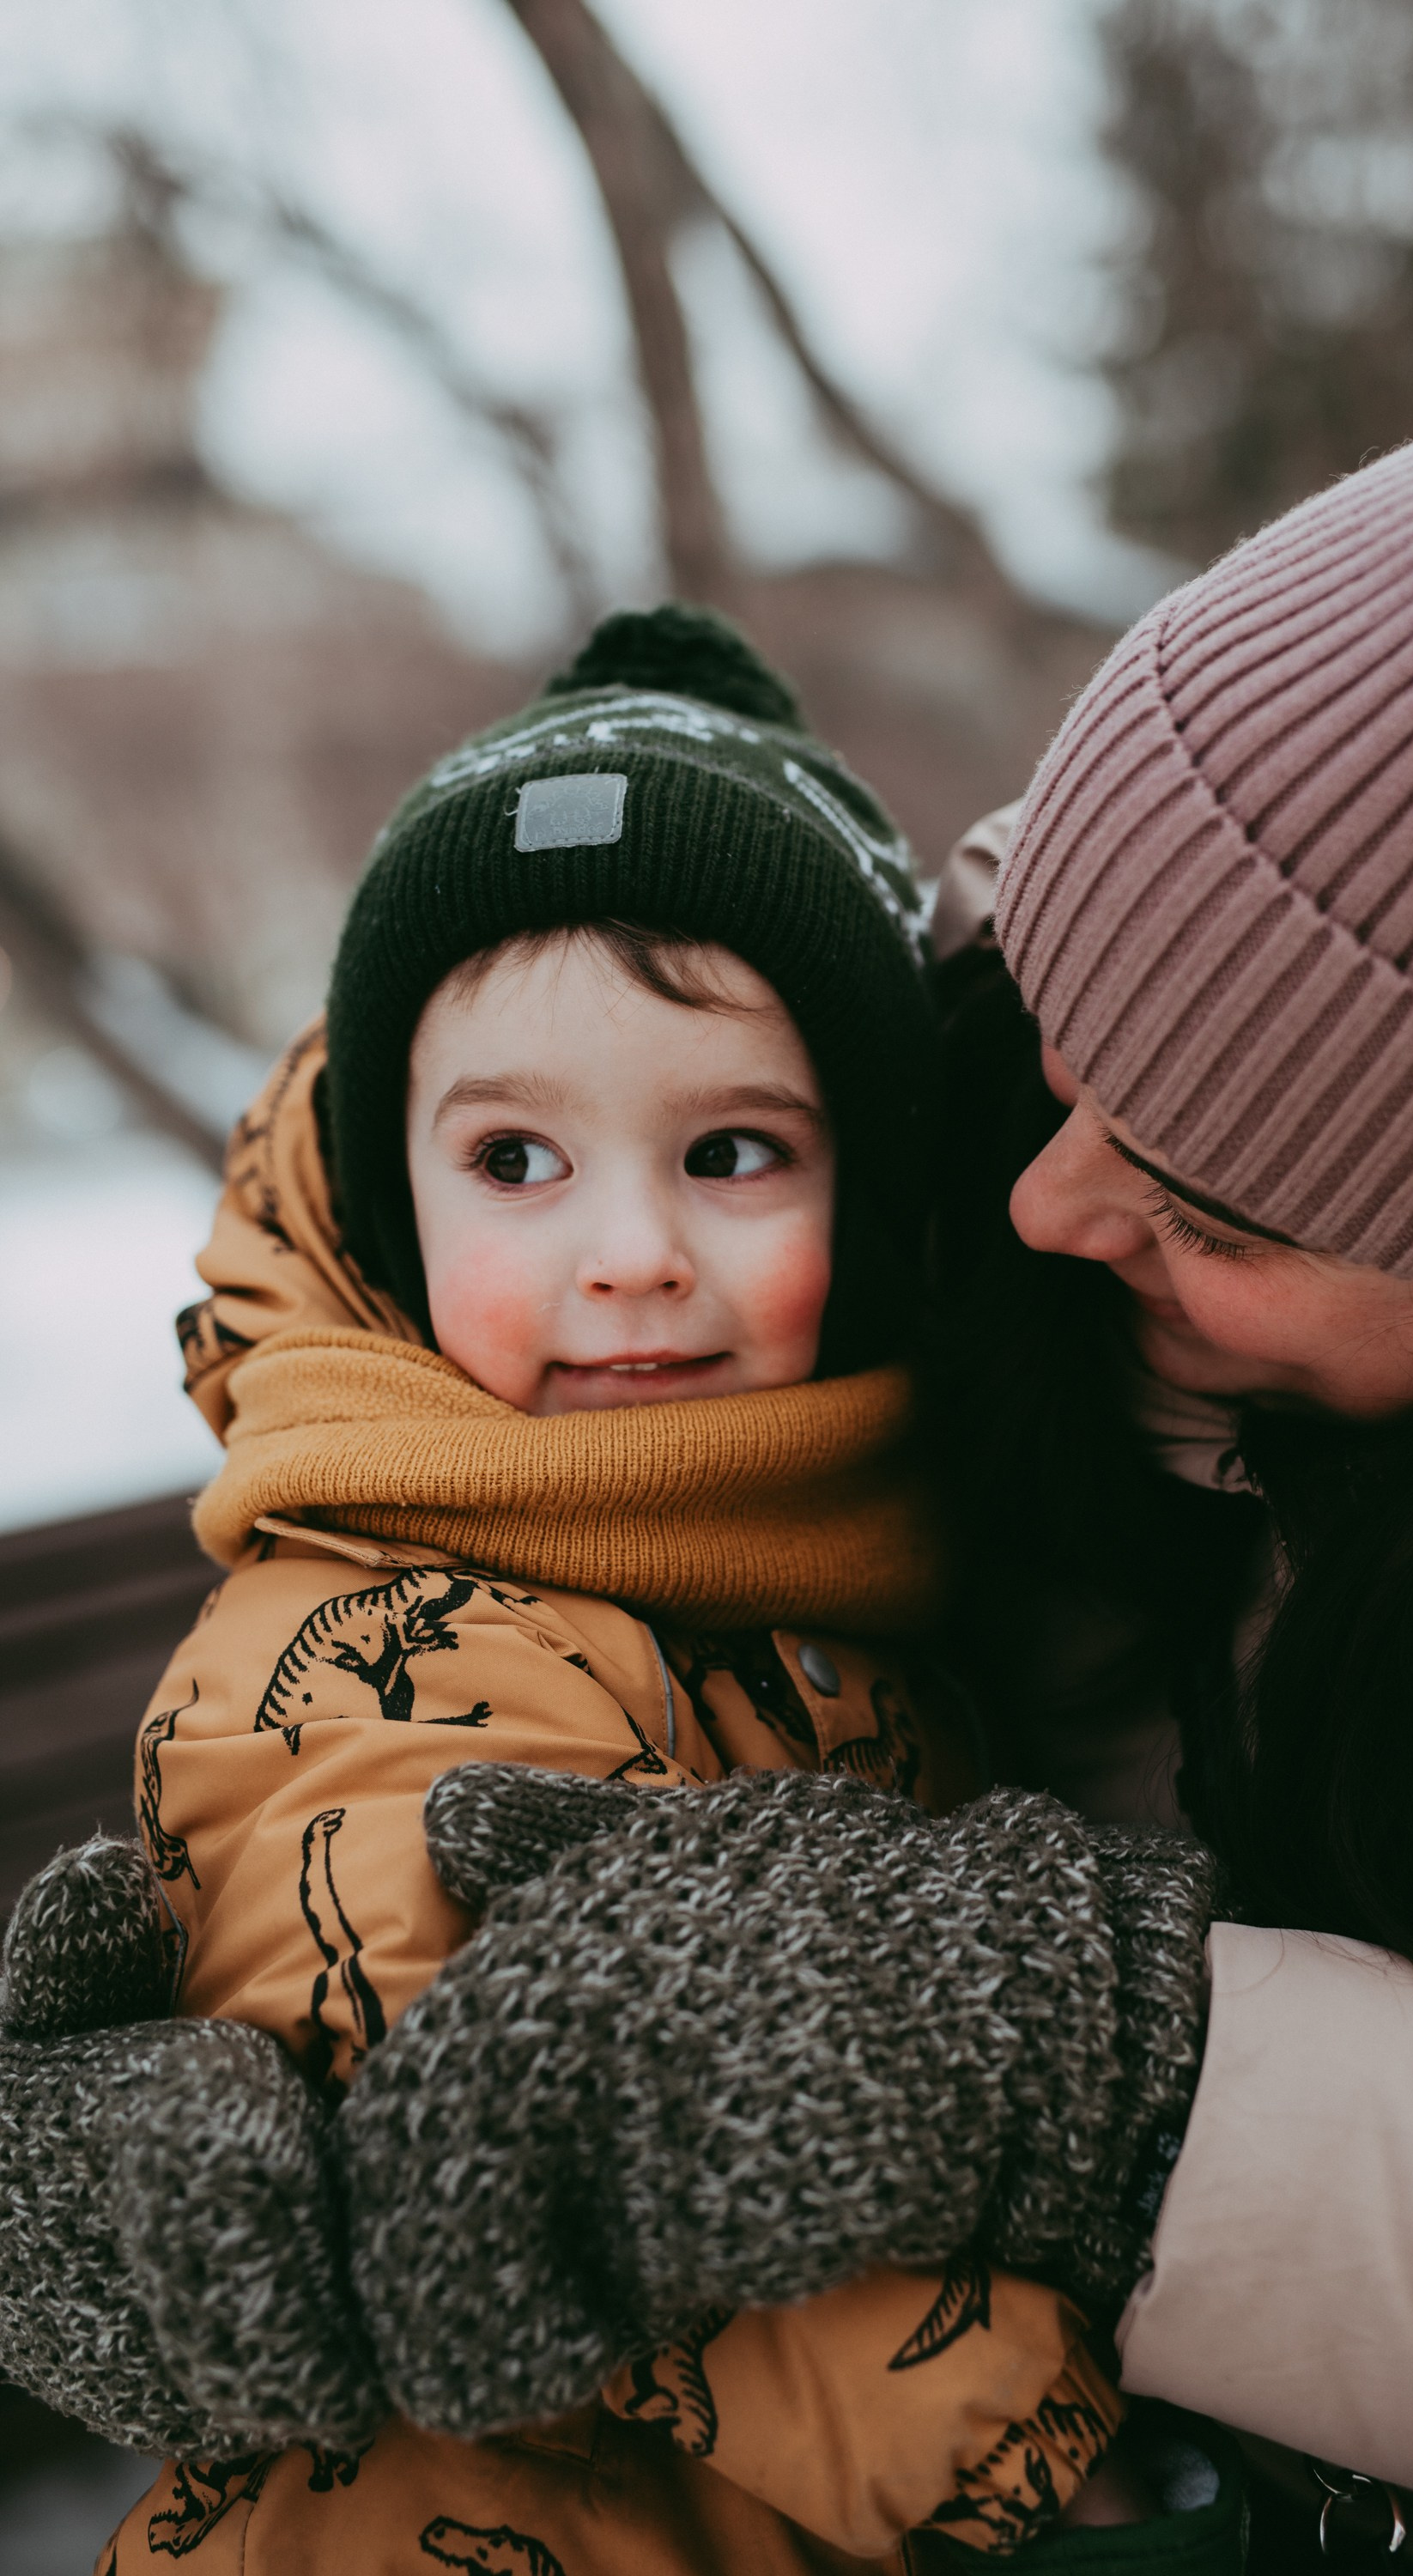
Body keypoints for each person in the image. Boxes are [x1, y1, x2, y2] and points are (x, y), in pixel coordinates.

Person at [14, 605, 1204, 2573]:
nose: (632, 1253)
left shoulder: (854, 1555)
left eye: (734, 1151)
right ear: (397, 1196)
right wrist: (1042, 2461)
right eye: (518, 1161)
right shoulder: (375, 1631)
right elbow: (513, 2142)